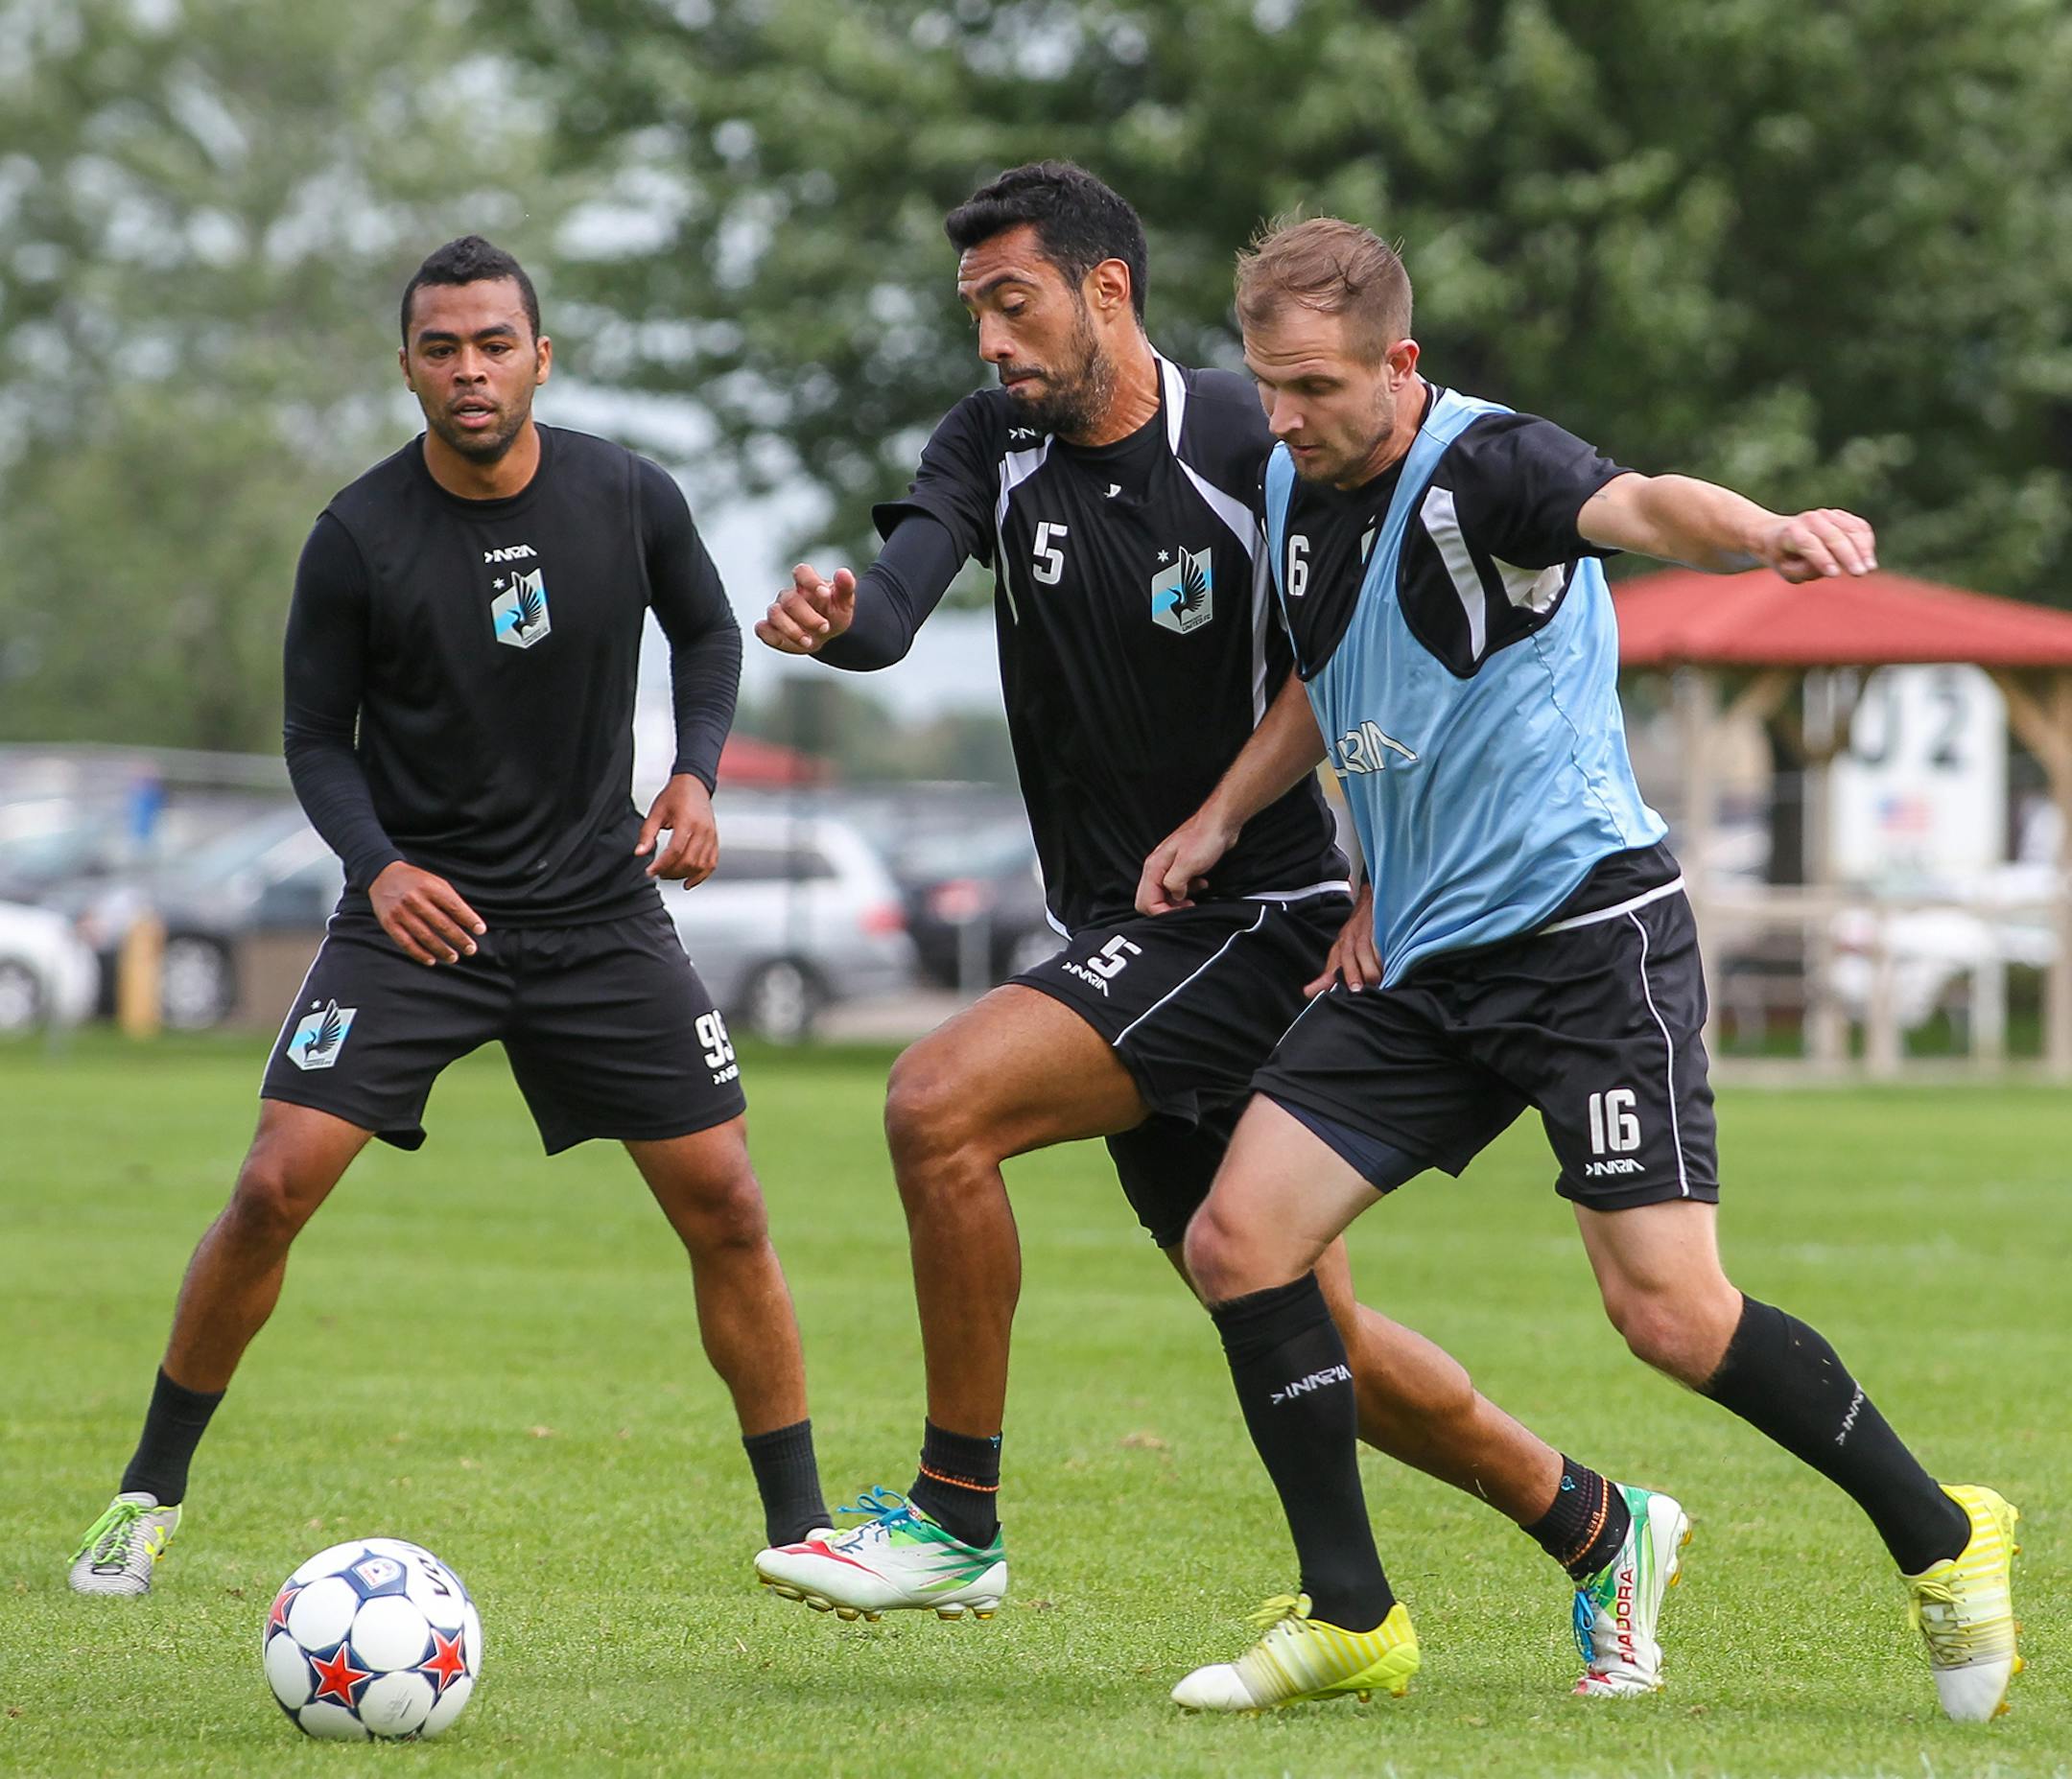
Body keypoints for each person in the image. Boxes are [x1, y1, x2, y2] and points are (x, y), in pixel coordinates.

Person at [750, 164, 1688, 1697]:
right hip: (1126, 930)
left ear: (1105, 290)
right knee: (1299, 1321)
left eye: (1014, 301)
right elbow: (897, 603)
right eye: (974, 308)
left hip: (1258, 919)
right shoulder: (992, 445)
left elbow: (1390, 661)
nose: (990, 340)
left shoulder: (1255, 444)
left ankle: (954, 1514)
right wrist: (835, 617)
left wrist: (1390, 878)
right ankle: (1596, 1525)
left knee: (938, 1107)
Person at [1139, 216, 2020, 1720]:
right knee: (1238, 1245)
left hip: (1582, 942)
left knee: (1669, 1315)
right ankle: (1351, 1615)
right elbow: (1333, 673)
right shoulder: (1297, 477)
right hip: (1417, 958)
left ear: (1399, 367)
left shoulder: (1493, 465)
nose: (1279, 416)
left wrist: (1768, 536)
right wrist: (1226, 815)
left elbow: (1645, 502)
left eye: (1313, 387)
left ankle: (1945, 1538)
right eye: (1265, 382)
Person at [67, 236, 829, 1596]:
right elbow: (313, 737)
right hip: (418, 920)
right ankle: (146, 1496)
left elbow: (709, 636)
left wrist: (697, 774)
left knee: (727, 1205)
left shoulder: (630, 495)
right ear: (407, 363)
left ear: (542, 355)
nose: (468, 371)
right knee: (268, 1188)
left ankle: (802, 1531)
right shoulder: (357, 536)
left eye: (492, 343)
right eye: (441, 347)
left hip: (600, 911)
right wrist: (379, 867)